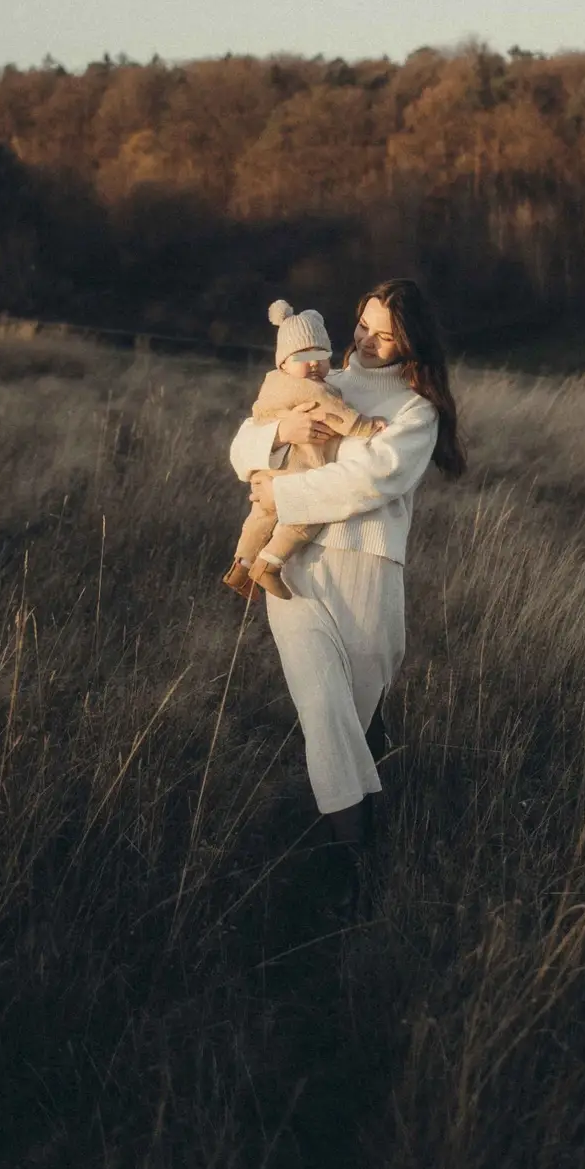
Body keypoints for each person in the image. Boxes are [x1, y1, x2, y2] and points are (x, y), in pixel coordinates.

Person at [228, 277, 466, 901]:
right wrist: (281, 437)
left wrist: (281, 491)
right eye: (362, 325)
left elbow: (368, 481)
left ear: (410, 342)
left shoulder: (414, 411)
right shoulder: (319, 381)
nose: (365, 341)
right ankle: (349, 867)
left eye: (385, 335)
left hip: (368, 572)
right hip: (294, 570)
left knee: (357, 719)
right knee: (324, 711)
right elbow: (244, 443)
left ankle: (366, 839)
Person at [222, 299, 386, 601]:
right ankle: (269, 564)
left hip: (268, 473)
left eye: (320, 355)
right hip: (295, 471)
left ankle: (241, 565)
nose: (313, 364)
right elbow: (339, 415)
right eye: (303, 356)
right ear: (283, 362)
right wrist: (368, 426)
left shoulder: (273, 383)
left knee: (260, 517)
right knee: (304, 519)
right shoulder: (316, 388)